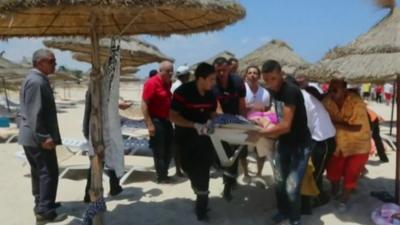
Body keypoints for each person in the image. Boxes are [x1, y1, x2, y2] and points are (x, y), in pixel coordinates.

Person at [247, 60, 311, 225]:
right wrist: (260, 118)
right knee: (280, 181)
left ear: (281, 74)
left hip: (300, 144)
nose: (270, 83)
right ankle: (283, 211)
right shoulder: (273, 91)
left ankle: (295, 219)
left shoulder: (291, 91)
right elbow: (276, 113)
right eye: (267, 80)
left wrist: (260, 132)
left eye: (273, 79)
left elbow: (285, 126)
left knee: (292, 186)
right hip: (284, 143)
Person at [18, 49, 67, 224]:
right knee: (49, 172)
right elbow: (34, 113)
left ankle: (42, 203)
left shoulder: (35, 80)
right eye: (52, 61)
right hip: (37, 137)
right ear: (40, 62)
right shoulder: (36, 81)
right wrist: (44, 136)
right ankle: (45, 211)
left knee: (40, 172)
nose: (55, 64)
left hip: (31, 136)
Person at [170, 62, 217, 221]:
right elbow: (173, 116)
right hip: (185, 138)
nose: (213, 82)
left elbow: (212, 113)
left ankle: (202, 209)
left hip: (204, 140)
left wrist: (213, 122)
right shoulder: (182, 92)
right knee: (188, 168)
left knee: (203, 172)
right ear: (201, 79)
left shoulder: (211, 94)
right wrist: (193, 125)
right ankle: (199, 190)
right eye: (211, 79)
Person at [286, 76, 336, 212]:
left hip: (323, 140)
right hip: (316, 137)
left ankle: (314, 201)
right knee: (310, 172)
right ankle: (313, 198)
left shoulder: (299, 98)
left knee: (314, 174)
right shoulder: (299, 96)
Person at [322, 79, 371, 211]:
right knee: (333, 171)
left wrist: (334, 124)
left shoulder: (356, 102)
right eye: (329, 89)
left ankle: (345, 197)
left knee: (352, 172)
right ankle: (334, 190)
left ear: (345, 89)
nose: (331, 92)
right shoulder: (327, 102)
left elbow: (356, 128)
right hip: (339, 144)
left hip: (358, 144)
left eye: (335, 89)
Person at [82, 89, 132, 202]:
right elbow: (99, 107)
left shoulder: (98, 86)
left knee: (107, 159)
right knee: (99, 161)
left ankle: (113, 188)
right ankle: (95, 192)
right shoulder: (98, 87)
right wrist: (118, 105)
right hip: (101, 130)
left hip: (101, 129)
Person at [212, 57, 247, 201]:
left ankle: (230, 180)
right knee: (226, 156)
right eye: (218, 70)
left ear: (229, 69)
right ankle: (228, 183)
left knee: (236, 154)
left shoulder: (238, 82)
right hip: (220, 123)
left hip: (237, 121)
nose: (221, 73)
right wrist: (225, 125)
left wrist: (244, 123)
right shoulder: (213, 84)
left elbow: (242, 105)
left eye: (224, 70)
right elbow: (217, 108)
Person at [141, 60, 174, 184]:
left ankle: (164, 173)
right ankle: (161, 176)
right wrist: (149, 124)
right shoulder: (152, 83)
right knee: (159, 150)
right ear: (161, 71)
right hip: (155, 120)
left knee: (170, 147)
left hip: (166, 120)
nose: (170, 74)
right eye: (168, 71)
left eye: (172, 71)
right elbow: (144, 104)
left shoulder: (168, 83)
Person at [241, 65, 271, 182]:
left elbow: (268, 109)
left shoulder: (265, 92)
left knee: (261, 151)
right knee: (242, 151)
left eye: (255, 73)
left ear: (259, 76)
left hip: (260, 125)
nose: (252, 75)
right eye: (250, 73)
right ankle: (246, 174)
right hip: (243, 124)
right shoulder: (241, 90)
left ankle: (259, 173)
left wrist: (251, 107)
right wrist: (256, 107)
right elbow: (241, 108)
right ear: (246, 75)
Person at [170, 65, 191, 177]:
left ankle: (181, 168)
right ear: (186, 75)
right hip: (179, 121)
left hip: (181, 120)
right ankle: (179, 169)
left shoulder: (177, 86)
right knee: (179, 147)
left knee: (181, 146)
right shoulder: (178, 88)